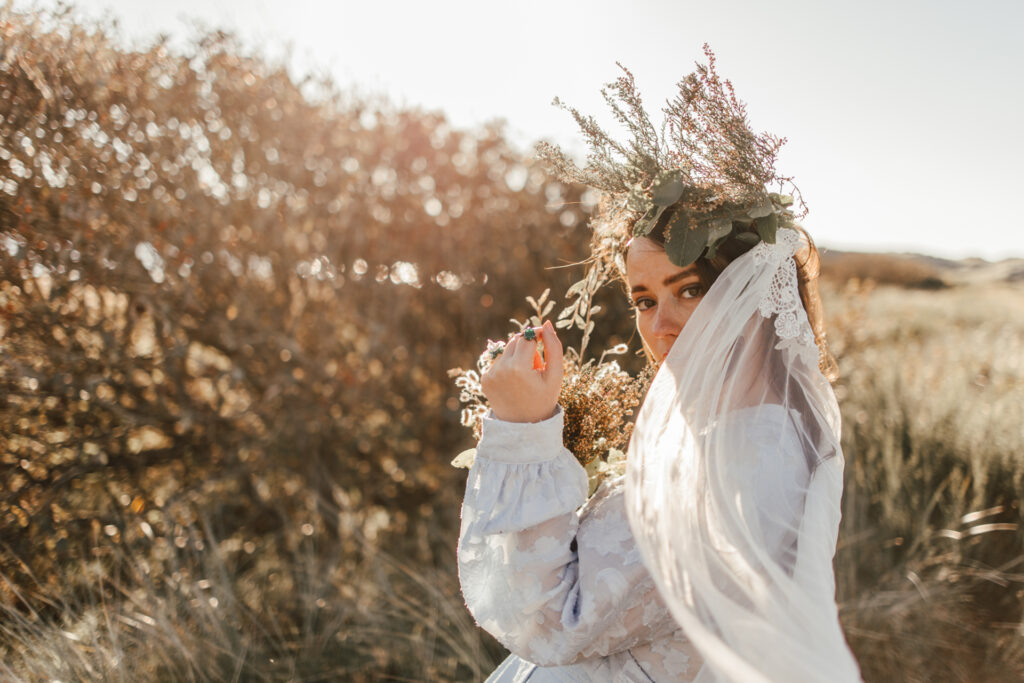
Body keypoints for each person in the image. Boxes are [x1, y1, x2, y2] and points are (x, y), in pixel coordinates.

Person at [456, 49, 863, 682]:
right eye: (644, 300)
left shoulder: (741, 464)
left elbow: (548, 619)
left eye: (691, 290)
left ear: (750, 297)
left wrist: (525, 433)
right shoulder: (752, 429)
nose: (659, 324)